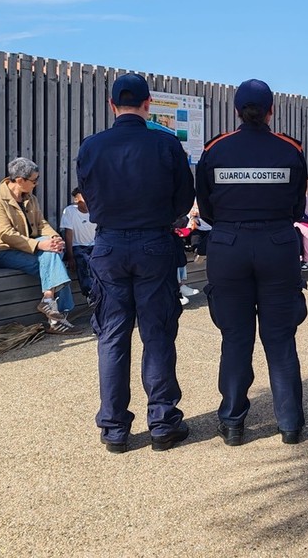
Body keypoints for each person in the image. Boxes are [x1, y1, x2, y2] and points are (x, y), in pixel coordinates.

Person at [76, 73, 195, 454]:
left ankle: (114, 428)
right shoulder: (166, 144)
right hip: (154, 242)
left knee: (112, 335)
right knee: (157, 333)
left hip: (108, 244)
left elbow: (87, 194)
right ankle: (162, 422)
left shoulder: (92, 146)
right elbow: (184, 197)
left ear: (112, 105)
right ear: (148, 105)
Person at [195, 78, 308, 446]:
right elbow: (298, 205)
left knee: (235, 338)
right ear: (271, 110)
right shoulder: (290, 149)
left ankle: (232, 423)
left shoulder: (215, 149)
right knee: (280, 339)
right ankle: (289, 424)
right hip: (278, 245)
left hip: (228, 245)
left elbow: (206, 206)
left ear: (236, 111)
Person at [0, 158, 77, 334]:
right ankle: (58, 318)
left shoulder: (31, 198)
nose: (36, 184)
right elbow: (6, 234)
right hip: (4, 251)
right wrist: (40, 244)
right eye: (34, 180)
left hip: (30, 248)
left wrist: (54, 238)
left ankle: (49, 301)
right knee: (54, 264)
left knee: (53, 254)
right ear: (20, 180)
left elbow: (42, 223)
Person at [61, 187, 97, 299]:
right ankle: (90, 294)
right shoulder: (70, 211)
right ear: (76, 200)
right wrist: (70, 256)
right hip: (78, 246)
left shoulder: (96, 210)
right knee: (83, 262)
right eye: (84, 198)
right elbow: (68, 234)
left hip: (95, 245)